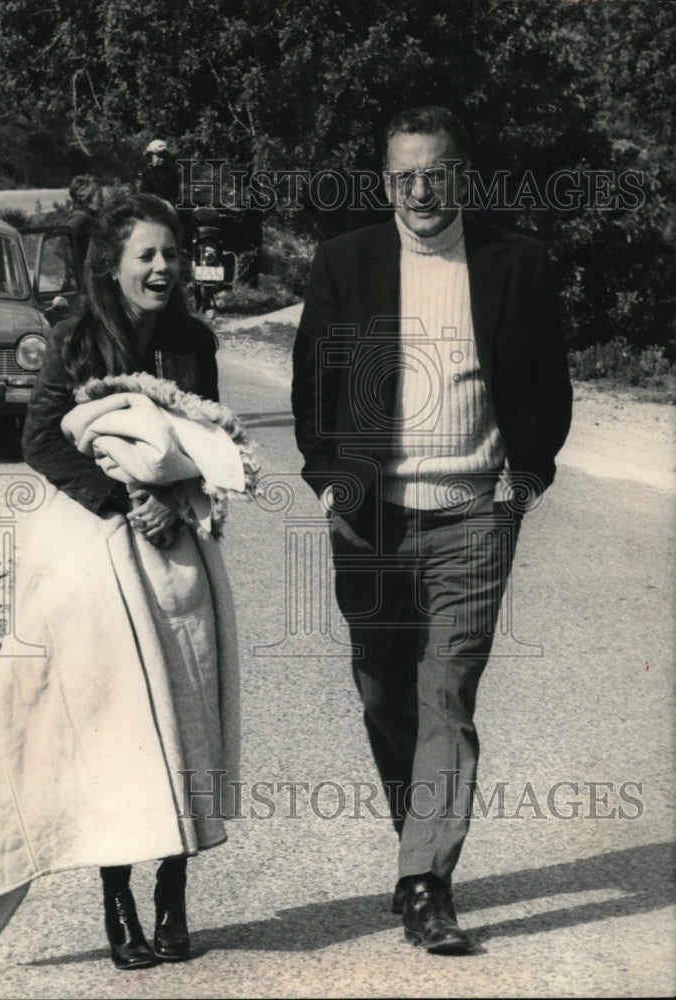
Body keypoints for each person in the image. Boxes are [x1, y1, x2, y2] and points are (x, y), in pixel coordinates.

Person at [291, 106, 572, 954]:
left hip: (473, 517)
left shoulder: (513, 261)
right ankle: (416, 840)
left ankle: (426, 882)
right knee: (385, 690)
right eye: (406, 175)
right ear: (386, 183)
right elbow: (315, 388)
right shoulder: (347, 262)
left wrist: (522, 484)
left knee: (446, 694)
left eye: (437, 172)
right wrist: (334, 487)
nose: (422, 189)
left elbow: (546, 387)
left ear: (461, 177)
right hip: (372, 519)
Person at [0, 194, 257, 971]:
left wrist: (185, 500)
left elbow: (210, 439)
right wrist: (125, 498)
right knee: (114, 723)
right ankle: (117, 900)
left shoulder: (192, 343)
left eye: (171, 254)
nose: (161, 268)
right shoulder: (76, 338)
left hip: (176, 546)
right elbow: (40, 440)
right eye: (145, 255)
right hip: (96, 547)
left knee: (187, 707)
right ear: (115, 265)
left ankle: (174, 893)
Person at [67, 174, 104, 262]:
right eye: (99, 196)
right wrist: (76, 273)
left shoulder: (92, 217)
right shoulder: (80, 218)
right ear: (87, 200)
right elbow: (63, 247)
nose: (102, 199)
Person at [140, 139, 181, 205]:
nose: (162, 159)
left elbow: (174, 194)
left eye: (164, 156)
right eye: (159, 156)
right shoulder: (146, 173)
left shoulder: (171, 172)